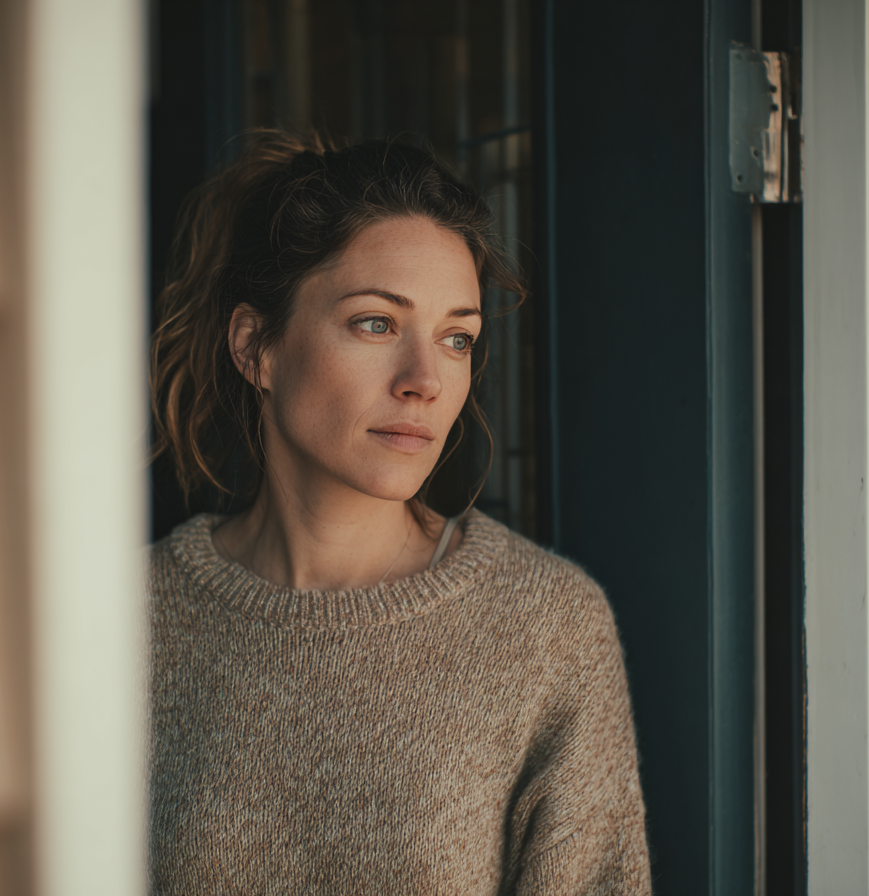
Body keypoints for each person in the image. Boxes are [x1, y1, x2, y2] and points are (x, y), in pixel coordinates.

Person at [147, 132, 650, 893]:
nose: (426, 380)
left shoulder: (545, 627)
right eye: (376, 323)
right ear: (256, 347)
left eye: (456, 339)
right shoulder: (125, 619)